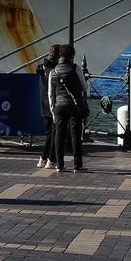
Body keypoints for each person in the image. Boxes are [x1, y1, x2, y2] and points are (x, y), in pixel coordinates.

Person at [48, 44, 88, 172]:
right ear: (72, 56)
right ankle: (77, 165)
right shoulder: (75, 68)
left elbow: (51, 94)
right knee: (75, 135)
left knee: (59, 135)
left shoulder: (53, 72)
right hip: (73, 106)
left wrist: (53, 110)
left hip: (59, 107)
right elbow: (84, 87)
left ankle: (59, 165)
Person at [36, 45, 59, 169]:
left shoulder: (42, 68)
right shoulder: (54, 70)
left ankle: (43, 158)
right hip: (53, 104)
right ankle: (51, 158)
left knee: (49, 133)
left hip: (44, 105)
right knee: (54, 133)